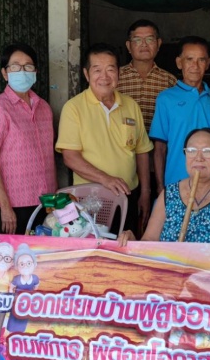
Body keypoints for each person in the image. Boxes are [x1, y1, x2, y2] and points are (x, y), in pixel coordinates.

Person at [56, 43, 153, 235]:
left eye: (110, 69)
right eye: (97, 70)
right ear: (86, 74)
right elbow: (70, 157)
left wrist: (145, 193)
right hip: (90, 199)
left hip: (128, 195)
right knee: (95, 248)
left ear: (118, 73)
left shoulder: (131, 105)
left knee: (127, 246)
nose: (104, 76)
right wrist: (105, 179)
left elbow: (142, 151)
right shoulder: (74, 108)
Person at [0, 43, 56, 235]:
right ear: (5, 73)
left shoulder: (44, 107)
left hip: (48, 201)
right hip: (16, 204)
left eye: (28, 66)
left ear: (35, 72)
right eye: (15, 66)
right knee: (19, 253)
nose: (22, 71)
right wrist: (5, 206)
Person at [118, 128, 210, 245]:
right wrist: (133, 243)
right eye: (192, 151)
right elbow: (149, 240)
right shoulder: (169, 193)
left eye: (208, 151)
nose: (199, 158)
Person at [150, 36, 210, 190]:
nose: (195, 66)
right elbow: (159, 149)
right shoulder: (166, 98)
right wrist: (160, 187)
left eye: (201, 60)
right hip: (176, 181)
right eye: (189, 59)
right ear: (179, 62)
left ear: (208, 63)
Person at [116, 19, 177, 132]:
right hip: (121, 142)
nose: (144, 44)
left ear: (158, 44)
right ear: (128, 46)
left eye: (149, 39)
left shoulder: (170, 81)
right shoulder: (114, 77)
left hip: (158, 142)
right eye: (137, 40)